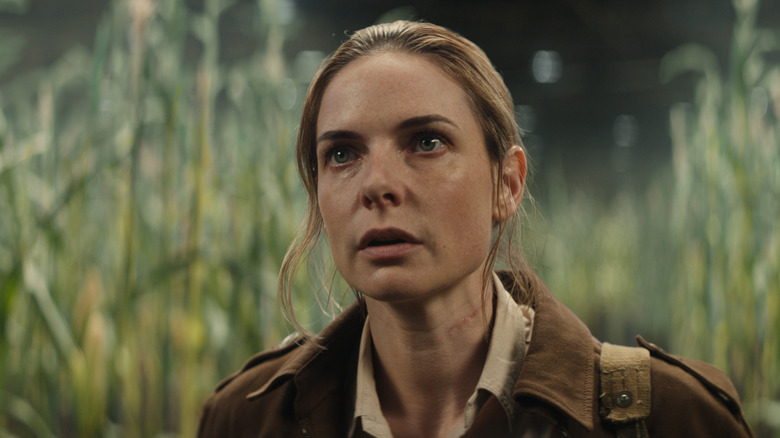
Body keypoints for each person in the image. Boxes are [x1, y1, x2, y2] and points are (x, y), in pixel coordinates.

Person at [197, 21, 753, 438]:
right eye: (342, 153)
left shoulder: (671, 417)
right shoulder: (248, 417)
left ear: (507, 184)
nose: (376, 185)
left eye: (427, 142)